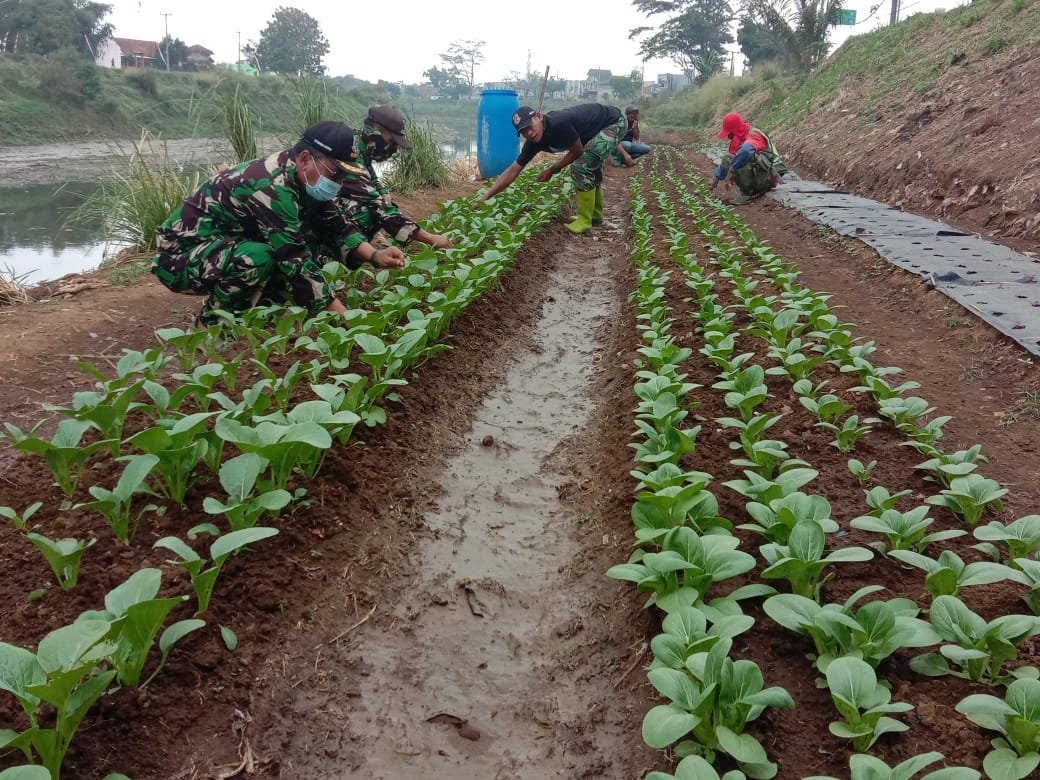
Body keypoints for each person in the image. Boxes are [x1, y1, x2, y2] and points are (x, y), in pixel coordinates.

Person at [152, 120, 411, 326]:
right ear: (306, 158)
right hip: (180, 257)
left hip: (224, 246)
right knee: (260, 257)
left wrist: (376, 255)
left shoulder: (302, 178)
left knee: (310, 239)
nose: (339, 183)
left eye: (344, 176)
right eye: (336, 173)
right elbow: (294, 259)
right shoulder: (272, 186)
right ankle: (211, 328)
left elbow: (336, 224)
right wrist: (347, 319)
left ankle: (263, 311)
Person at [307, 106, 452, 258]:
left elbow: (370, 176)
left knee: (377, 204)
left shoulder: (360, 146)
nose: (394, 148)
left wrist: (382, 190)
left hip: (319, 205)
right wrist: (431, 238)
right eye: (392, 141)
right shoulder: (349, 153)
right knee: (366, 212)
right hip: (308, 214)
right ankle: (326, 258)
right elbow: (378, 206)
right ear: (376, 134)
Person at [479, 103, 628, 234]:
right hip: (595, 129)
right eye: (523, 132)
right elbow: (513, 169)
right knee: (590, 164)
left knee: (582, 166)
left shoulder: (559, 124)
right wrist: (486, 196)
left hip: (614, 122)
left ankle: (584, 220)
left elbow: (577, 151)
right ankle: (595, 215)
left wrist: (552, 170)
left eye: (529, 127)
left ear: (538, 116)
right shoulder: (533, 142)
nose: (529, 133)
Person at [709, 112, 787, 204]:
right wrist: (716, 178)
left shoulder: (754, 135)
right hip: (761, 175)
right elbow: (729, 158)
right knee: (730, 158)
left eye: (729, 134)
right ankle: (749, 189)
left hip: (769, 178)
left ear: (735, 131)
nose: (728, 137)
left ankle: (747, 193)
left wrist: (731, 170)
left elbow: (746, 151)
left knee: (745, 157)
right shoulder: (740, 137)